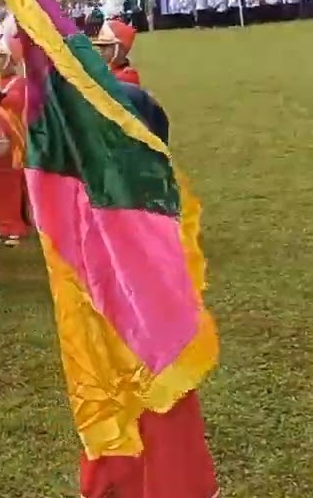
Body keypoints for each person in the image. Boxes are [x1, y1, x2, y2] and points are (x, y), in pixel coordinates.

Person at [77, 84, 215, 498]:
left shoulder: (151, 203)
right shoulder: (111, 192)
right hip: (115, 356)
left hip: (153, 354)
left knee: (163, 435)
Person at [0, 23, 30, 247]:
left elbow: (11, 102)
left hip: (13, 142)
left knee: (13, 186)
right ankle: (3, 225)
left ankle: (17, 226)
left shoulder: (19, 82)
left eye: (1, 57)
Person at [92, 19, 140, 86]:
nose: (101, 51)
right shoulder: (106, 71)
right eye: (101, 47)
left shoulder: (127, 76)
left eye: (106, 47)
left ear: (119, 49)